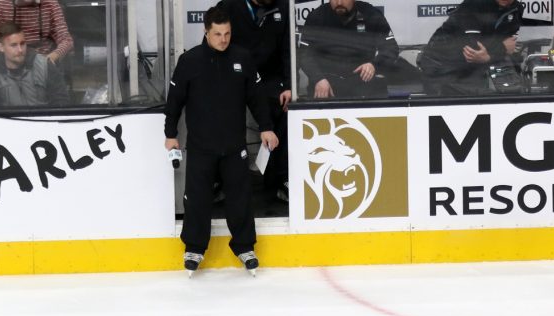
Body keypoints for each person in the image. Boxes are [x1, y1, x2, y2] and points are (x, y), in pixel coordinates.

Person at [164, 4, 278, 276]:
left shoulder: (242, 58)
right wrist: (170, 134)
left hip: (234, 146)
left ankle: (244, 246)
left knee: (240, 197)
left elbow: (256, 96)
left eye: (227, 33)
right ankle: (194, 247)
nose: (223, 39)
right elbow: (174, 101)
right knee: (197, 199)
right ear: (206, 32)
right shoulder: (189, 61)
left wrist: (266, 127)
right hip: (201, 146)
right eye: (217, 34)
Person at [219, 0, 290, 202]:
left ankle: (280, 180)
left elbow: (288, 51)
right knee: (221, 114)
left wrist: (288, 85)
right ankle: (223, 181)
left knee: (285, 109)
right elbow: (213, 46)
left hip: (270, 78)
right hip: (234, 75)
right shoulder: (228, 6)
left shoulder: (283, 6)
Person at [298, 0, 412, 99]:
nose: (339, 3)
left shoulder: (370, 14)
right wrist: (318, 78)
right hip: (326, 85)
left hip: (362, 83)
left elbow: (391, 48)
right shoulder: (317, 16)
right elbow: (303, 54)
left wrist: (374, 65)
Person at [418, 0, 523, 96]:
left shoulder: (515, 8)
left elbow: (509, 44)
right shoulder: (473, 5)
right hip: (441, 70)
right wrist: (501, 48)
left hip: (470, 70)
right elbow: (473, 51)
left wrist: (492, 53)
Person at [0, 21, 68, 106]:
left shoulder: (45, 66)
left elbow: (61, 103)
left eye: (22, 44)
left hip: (42, 119)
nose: (20, 50)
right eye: (14, 45)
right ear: (1, 47)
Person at [0, 0, 73, 66]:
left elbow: (66, 39)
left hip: (42, 62)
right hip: (9, 64)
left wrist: (53, 56)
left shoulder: (50, 4)